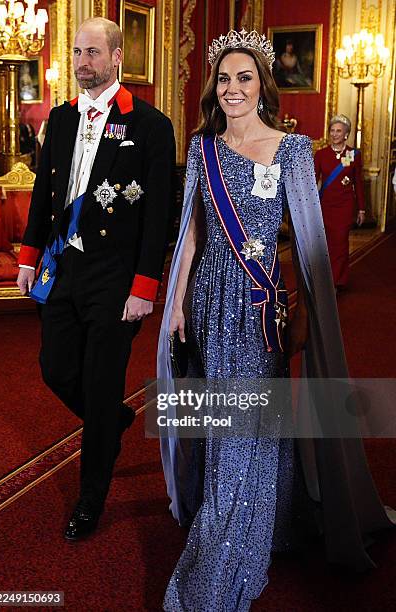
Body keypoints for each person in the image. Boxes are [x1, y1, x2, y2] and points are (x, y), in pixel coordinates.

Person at [157, 29, 394, 611]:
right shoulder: (201, 147)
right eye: (224, 79)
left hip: (260, 304)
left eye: (244, 77)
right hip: (209, 301)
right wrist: (177, 302)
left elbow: (311, 240)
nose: (233, 88)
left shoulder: (289, 150)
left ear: (263, 84)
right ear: (214, 88)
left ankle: (229, 543)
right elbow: (189, 234)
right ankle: (276, 515)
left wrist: (315, 312)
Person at [17, 17, 175, 540]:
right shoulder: (60, 121)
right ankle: (112, 420)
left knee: (102, 380)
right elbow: (46, 194)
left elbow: (159, 217)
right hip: (63, 268)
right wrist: (27, 257)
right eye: (78, 52)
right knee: (54, 368)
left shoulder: (150, 125)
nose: (83, 61)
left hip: (115, 277)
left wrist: (144, 288)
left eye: (92, 53)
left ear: (116, 58)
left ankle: (90, 500)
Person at [314, 114, 365, 290]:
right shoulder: (321, 155)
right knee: (325, 244)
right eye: (332, 130)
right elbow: (314, 182)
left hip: (344, 207)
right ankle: (324, 279)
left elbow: (358, 182)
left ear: (346, 134)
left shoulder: (353, 155)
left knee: (340, 243)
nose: (334, 134)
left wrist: (361, 209)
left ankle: (337, 281)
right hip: (325, 206)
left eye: (339, 131)